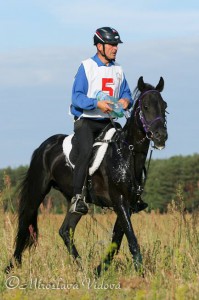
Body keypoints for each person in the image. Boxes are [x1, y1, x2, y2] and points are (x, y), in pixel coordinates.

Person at [69, 26, 145, 215]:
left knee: (128, 146)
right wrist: (97, 103)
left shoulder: (118, 69)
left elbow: (126, 92)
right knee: (85, 151)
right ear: (99, 46)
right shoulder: (86, 67)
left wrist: (126, 101)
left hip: (109, 121)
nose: (115, 48)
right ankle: (77, 197)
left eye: (116, 45)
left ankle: (134, 193)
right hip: (86, 120)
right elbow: (76, 97)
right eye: (111, 44)